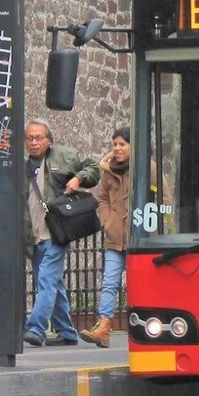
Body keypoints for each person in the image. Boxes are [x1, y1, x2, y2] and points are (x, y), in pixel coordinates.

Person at [23, 119, 101, 347]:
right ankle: (67, 332)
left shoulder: (64, 156)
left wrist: (78, 178)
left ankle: (36, 329)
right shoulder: (22, 164)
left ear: (49, 140)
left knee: (46, 280)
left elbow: (93, 168)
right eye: (29, 138)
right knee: (51, 283)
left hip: (56, 232)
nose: (33, 142)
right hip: (33, 235)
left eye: (38, 138)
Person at [87, 127, 134, 346]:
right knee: (109, 283)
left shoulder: (149, 168)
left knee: (137, 285)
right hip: (114, 236)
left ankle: (140, 324)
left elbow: (164, 198)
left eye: (122, 144)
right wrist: (107, 220)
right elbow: (102, 198)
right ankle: (104, 325)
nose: (117, 148)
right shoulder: (109, 173)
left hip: (138, 239)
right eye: (114, 144)